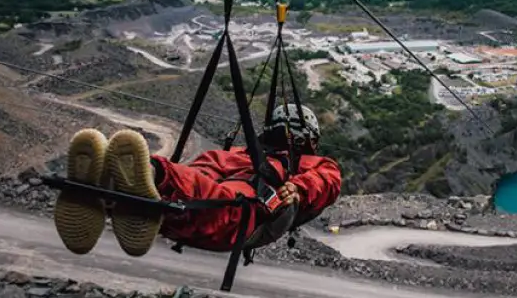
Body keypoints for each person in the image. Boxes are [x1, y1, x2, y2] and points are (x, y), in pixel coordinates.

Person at [52, 104, 342, 257]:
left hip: (252, 207)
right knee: (201, 175)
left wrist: (299, 189)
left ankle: (148, 176)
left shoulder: (306, 166)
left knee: (219, 192)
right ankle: (124, 189)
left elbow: (327, 181)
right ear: (312, 138)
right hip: (226, 195)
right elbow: (200, 170)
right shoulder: (240, 155)